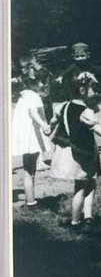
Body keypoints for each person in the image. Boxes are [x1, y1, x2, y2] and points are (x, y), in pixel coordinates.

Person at [49, 72, 101, 231]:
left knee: (90, 181)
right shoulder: (86, 112)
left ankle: (88, 217)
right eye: (93, 88)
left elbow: (54, 120)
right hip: (82, 152)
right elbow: (99, 130)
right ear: (82, 90)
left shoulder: (63, 106)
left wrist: (49, 127)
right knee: (80, 187)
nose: (95, 91)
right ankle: (75, 222)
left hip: (74, 150)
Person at [12, 74, 51, 207]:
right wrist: (44, 125)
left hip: (24, 137)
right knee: (31, 170)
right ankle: (31, 202)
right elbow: (33, 113)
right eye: (42, 82)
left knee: (28, 169)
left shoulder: (24, 95)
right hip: (31, 137)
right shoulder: (34, 97)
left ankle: (30, 201)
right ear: (33, 83)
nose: (43, 85)